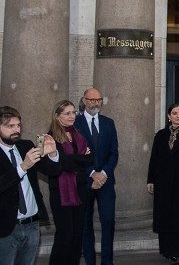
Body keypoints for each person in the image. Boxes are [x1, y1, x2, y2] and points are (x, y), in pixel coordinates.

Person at [0, 106, 61, 265]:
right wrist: (23, 166)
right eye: (10, 126)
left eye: (18, 125)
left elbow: (53, 171)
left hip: (32, 226)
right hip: (4, 228)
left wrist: (53, 153)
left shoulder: (26, 146)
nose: (16, 130)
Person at [147, 103, 179, 262]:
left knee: (178, 217)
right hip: (162, 182)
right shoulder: (160, 135)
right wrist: (150, 179)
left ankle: (176, 251)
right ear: (169, 116)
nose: (178, 116)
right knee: (164, 216)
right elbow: (154, 159)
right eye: (175, 113)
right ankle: (164, 249)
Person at [74, 87, 119, 265]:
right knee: (85, 224)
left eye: (98, 99)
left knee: (108, 221)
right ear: (84, 101)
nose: (95, 103)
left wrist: (103, 174)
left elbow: (114, 153)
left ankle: (107, 261)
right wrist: (92, 173)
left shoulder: (109, 123)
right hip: (85, 181)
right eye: (91, 100)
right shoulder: (75, 123)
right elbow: (75, 154)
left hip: (106, 181)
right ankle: (90, 261)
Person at [47, 100, 93, 265]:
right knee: (65, 235)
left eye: (73, 112)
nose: (72, 116)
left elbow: (90, 159)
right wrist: (79, 159)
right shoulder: (50, 137)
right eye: (67, 113)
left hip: (80, 190)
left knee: (76, 235)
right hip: (61, 192)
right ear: (57, 116)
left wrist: (72, 160)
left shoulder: (77, 134)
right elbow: (60, 164)